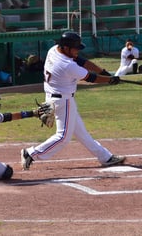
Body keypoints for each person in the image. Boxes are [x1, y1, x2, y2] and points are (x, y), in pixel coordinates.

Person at [20, 31, 126, 171]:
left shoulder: (54, 50)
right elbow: (91, 78)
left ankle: (105, 157)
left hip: (55, 97)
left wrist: (104, 72)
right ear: (65, 48)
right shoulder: (67, 65)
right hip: (64, 101)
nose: (77, 51)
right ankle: (31, 153)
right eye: (75, 48)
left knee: (81, 133)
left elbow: (81, 60)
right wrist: (110, 80)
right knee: (63, 136)